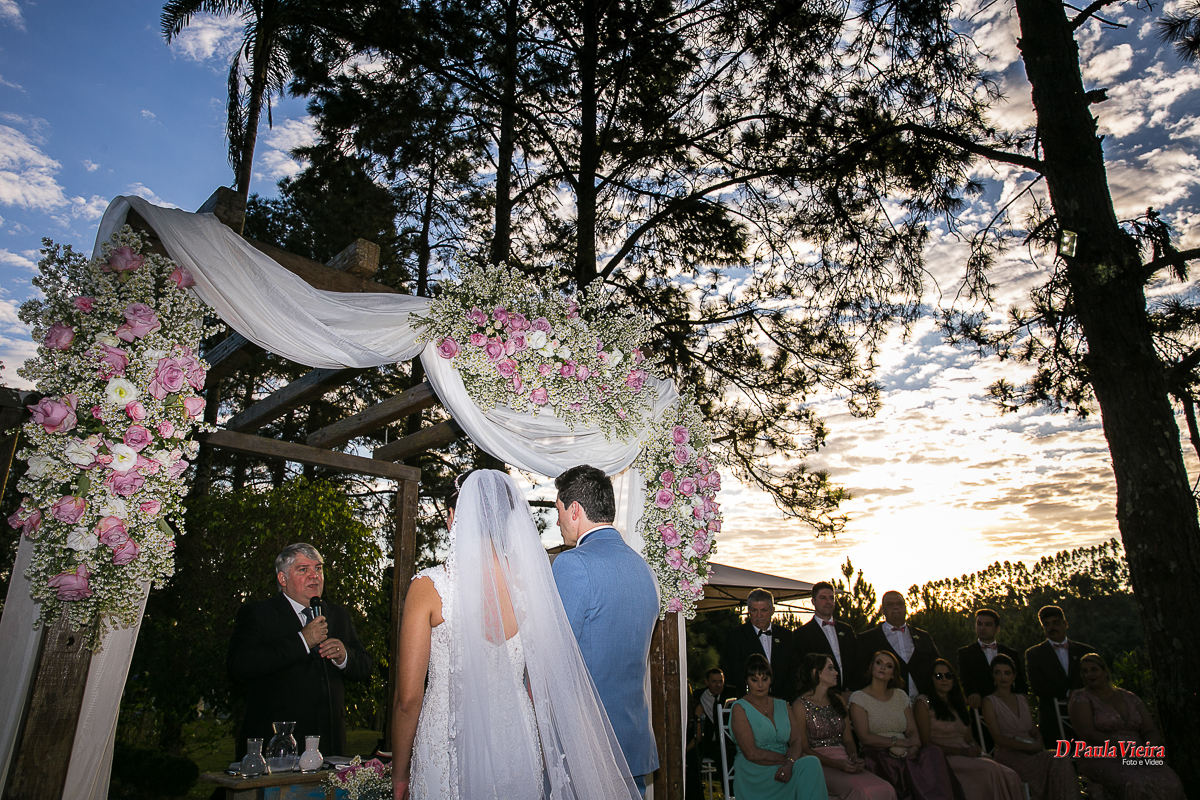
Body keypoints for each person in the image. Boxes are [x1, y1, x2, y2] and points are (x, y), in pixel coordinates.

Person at [390, 470, 640, 800]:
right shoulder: (530, 584)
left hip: (448, 742)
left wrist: (400, 774)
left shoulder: (429, 588)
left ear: (454, 517)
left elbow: (408, 699)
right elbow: (541, 682)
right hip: (516, 740)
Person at [551, 464, 660, 791]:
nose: (557, 522)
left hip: (586, 747)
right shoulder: (645, 571)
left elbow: (552, 659)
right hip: (633, 743)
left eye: (558, 511)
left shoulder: (573, 564)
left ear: (575, 510)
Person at [227, 542, 372, 760]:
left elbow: (366, 667)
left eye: (319, 568)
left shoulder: (338, 615)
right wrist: (302, 641)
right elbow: (240, 665)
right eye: (303, 570)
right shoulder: (258, 614)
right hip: (276, 749)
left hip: (329, 746)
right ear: (283, 579)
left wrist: (345, 657)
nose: (314, 576)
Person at [1067, 653, 1184, 799]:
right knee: (1136, 783)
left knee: (1171, 781)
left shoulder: (1129, 697)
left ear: (1105, 670)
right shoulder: (1081, 697)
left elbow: (1150, 729)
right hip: (1102, 754)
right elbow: (1088, 733)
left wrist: (1147, 749)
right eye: (1085, 671)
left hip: (1140, 753)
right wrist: (1125, 749)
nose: (1090, 674)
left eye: (1094, 669)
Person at [848, 650, 960, 799]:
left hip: (906, 749)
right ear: (871, 667)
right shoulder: (859, 698)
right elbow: (865, 738)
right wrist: (900, 742)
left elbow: (913, 731)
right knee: (894, 765)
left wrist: (912, 748)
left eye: (888, 666)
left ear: (893, 673)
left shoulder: (900, 695)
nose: (883, 667)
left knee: (933, 752)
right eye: (879, 663)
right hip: (878, 753)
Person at [913, 658, 1023, 800]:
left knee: (1011, 775)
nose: (944, 679)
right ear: (931, 679)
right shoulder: (924, 703)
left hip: (966, 752)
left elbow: (969, 738)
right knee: (990, 770)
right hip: (942, 757)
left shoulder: (958, 703)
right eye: (938, 676)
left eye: (949, 675)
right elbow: (926, 742)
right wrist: (961, 751)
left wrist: (979, 751)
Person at [794, 653, 896, 800]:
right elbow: (804, 748)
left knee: (886, 788)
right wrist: (836, 764)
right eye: (830, 668)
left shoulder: (839, 701)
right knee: (862, 792)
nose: (836, 673)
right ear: (816, 673)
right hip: (819, 765)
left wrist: (854, 757)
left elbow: (848, 740)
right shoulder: (800, 705)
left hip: (845, 760)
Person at [730, 653, 828, 800]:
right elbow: (751, 754)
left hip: (786, 766)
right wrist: (788, 761)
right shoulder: (739, 708)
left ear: (771, 680)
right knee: (807, 764)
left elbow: (796, 741)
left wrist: (789, 764)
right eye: (754, 680)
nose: (760, 685)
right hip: (756, 772)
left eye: (765, 679)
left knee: (812, 763)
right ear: (747, 682)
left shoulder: (783, 705)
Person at [980, 654, 1077, 800]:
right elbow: (998, 738)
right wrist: (1028, 748)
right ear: (993, 675)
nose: (1003, 677)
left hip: (1032, 750)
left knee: (1059, 757)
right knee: (1047, 766)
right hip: (1009, 755)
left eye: (1007, 673)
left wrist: (1038, 742)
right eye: (998, 673)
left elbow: (1033, 729)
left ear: (1014, 676)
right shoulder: (989, 702)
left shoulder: (1022, 699)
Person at [1024, 604, 1093, 742]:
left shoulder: (1085, 651)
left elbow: (1095, 680)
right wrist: (1068, 693)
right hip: (1052, 719)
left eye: (1055, 623)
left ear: (1065, 624)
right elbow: (1037, 686)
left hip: (1086, 716)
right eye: (1047, 624)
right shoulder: (1034, 654)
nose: (1051, 627)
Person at [855, 591, 940, 697]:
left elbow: (937, 665)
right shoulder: (866, 639)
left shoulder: (923, 636)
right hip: (887, 703)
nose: (896, 607)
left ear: (905, 608)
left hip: (924, 702)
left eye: (899, 604)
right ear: (882, 610)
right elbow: (861, 673)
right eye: (890, 605)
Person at [725, 588, 798, 701]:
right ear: (748, 610)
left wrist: (782, 699)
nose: (759, 615)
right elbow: (734, 673)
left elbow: (793, 671)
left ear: (772, 610)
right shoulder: (736, 636)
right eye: (754, 610)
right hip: (750, 703)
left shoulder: (786, 636)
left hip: (783, 702)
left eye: (764, 610)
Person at [793, 582, 857, 694]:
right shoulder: (802, 634)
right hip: (820, 697)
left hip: (850, 695)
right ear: (813, 601)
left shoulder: (847, 630)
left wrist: (850, 690)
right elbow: (802, 670)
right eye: (823, 598)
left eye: (831, 598)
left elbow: (856, 662)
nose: (828, 602)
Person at [957, 609, 1026, 710]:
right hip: (981, 706)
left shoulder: (1011, 653)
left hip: (1010, 706)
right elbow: (965, 678)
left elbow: (1020, 680)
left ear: (997, 629)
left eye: (988, 625)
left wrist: (1020, 700)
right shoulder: (965, 653)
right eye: (979, 624)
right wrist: (972, 693)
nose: (982, 628)